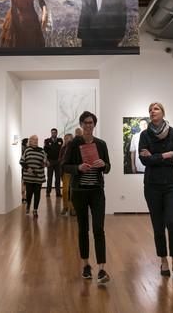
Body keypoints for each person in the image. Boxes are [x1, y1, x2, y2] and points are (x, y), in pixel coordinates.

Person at [62, 112, 111, 284]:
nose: (88, 125)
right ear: (81, 125)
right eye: (85, 123)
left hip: (97, 191)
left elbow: (108, 166)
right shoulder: (74, 144)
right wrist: (78, 167)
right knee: (83, 229)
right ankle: (85, 265)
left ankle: (102, 269)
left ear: (94, 124)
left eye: (91, 123)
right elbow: (64, 165)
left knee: (99, 228)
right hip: (80, 192)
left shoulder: (101, 144)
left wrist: (103, 164)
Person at [139, 102, 173, 280]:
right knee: (158, 225)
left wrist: (154, 157)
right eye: (150, 110)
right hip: (152, 186)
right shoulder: (145, 134)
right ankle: (164, 260)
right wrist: (166, 155)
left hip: (172, 185)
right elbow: (144, 161)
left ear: (163, 113)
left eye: (156, 109)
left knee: (172, 222)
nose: (152, 112)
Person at [20, 135, 48, 218]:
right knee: (29, 193)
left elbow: (46, 161)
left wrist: (45, 163)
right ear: (30, 141)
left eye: (37, 139)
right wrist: (27, 168)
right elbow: (21, 161)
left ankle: (35, 210)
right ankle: (28, 205)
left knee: (37, 193)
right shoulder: (27, 150)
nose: (36, 141)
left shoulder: (41, 150)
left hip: (38, 176)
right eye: (34, 140)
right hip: (29, 176)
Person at [44, 128, 63, 197]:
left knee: (58, 178)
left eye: (55, 132)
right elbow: (45, 152)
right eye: (52, 132)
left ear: (57, 133)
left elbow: (62, 151)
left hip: (58, 162)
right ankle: (48, 192)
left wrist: (61, 160)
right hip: (50, 161)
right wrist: (46, 161)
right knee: (50, 178)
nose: (53, 134)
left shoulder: (60, 140)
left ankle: (58, 193)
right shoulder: (47, 141)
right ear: (51, 133)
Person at [58, 133, 74, 216]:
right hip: (65, 172)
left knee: (72, 191)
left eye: (68, 138)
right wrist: (63, 162)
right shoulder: (63, 148)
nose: (67, 140)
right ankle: (65, 207)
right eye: (66, 138)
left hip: (73, 172)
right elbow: (59, 159)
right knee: (65, 191)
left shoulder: (75, 148)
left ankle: (72, 208)